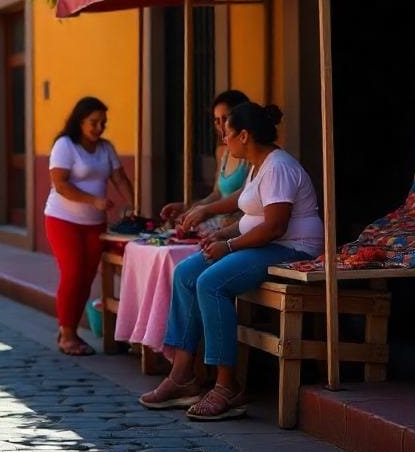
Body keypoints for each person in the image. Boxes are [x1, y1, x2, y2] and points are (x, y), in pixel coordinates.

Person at [140, 102, 323, 421]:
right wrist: (222, 234)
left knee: (211, 284)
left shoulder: (278, 166)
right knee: (185, 273)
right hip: (265, 243)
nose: (224, 140)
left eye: (228, 134)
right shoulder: (258, 165)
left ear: (244, 135)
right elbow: (252, 214)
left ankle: (227, 385)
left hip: (292, 248)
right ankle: (182, 376)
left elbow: (275, 226)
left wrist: (230, 245)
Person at [44, 96, 134, 356]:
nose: (99, 128)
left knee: (85, 278)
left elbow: (120, 178)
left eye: (103, 123)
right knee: (72, 273)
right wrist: (92, 200)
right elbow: (60, 184)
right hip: (62, 221)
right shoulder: (65, 145)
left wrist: (134, 207)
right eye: (93, 122)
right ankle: (68, 334)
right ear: (80, 121)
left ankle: (68, 330)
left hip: (95, 225)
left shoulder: (106, 148)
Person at [161, 90, 251, 233]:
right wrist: (189, 207)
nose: (221, 127)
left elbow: (246, 195)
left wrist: (206, 211)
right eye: (217, 121)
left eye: (225, 119)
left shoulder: (251, 154)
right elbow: (217, 194)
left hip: (239, 225)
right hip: (219, 220)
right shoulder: (223, 152)